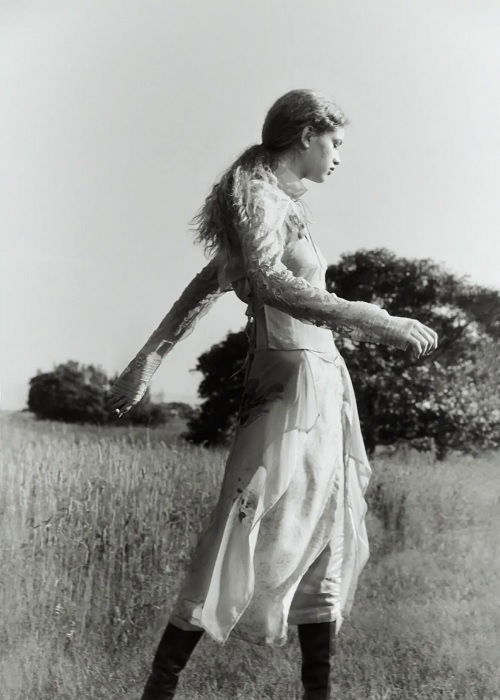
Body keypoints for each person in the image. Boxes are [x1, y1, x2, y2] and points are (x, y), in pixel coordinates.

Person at [107, 88, 438, 700]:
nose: (339, 155)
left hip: (320, 379)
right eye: (336, 142)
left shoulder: (279, 201)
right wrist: (374, 317)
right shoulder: (257, 196)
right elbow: (262, 279)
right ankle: (159, 689)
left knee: (328, 528)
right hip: (289, 385)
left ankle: (318, 692)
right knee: (242, 522)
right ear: (308, 134)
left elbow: (206, 285)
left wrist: (148, 360)